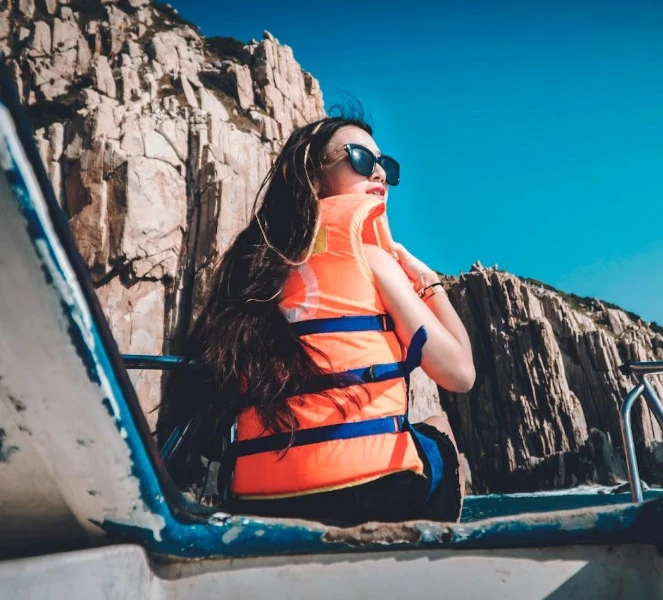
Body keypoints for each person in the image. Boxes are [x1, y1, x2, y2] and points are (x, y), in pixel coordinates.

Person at [158, 116, 475, 525]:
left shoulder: (249, 267)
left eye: (386, 166)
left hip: (259, 505)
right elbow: (461, 374)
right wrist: (430, 283)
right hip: (377, 496)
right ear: (312, 172)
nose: (379, 172)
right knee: (438, 423)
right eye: (361, 159)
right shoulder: (372, 257)